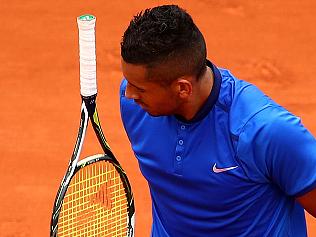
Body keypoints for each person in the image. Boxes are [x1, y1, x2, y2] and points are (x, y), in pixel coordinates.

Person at [119, 4, 316, 236]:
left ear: (183, 89)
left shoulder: (264, 131)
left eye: (139, 88)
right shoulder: (136, 107)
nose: (128, 94)